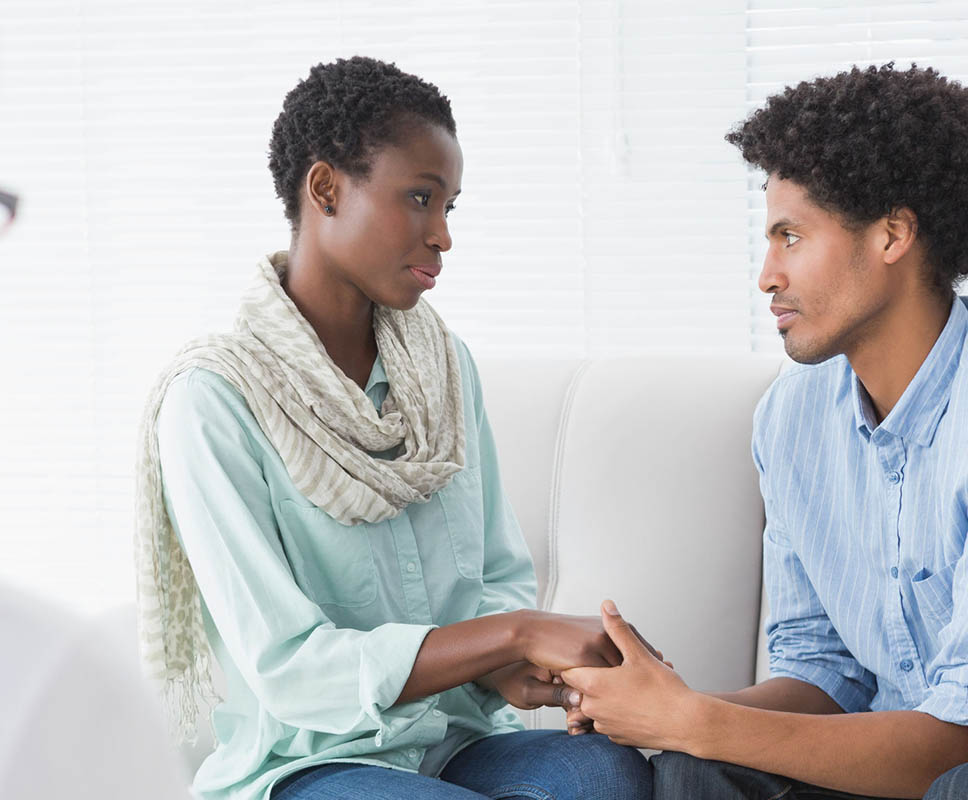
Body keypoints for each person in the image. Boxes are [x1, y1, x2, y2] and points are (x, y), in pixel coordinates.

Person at [558, 64, 968, 800]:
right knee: (697, 767)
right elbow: (825, 674)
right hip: (902, 755)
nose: (767, 276)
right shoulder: (793, 416)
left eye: (791, 237)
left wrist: (699, 721)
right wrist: (659, 712)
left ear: (892, 235)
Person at [134, 56, 653, 800]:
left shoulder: (444, 366)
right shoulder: (215, 399)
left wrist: (512, 665)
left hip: (456, 741)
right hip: (312, 763)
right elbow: (289, 669)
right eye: (419, 197)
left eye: (449, 207)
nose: (442, 235)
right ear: (325, 189)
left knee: (607, 773)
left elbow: (496, 575)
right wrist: (516, 634)